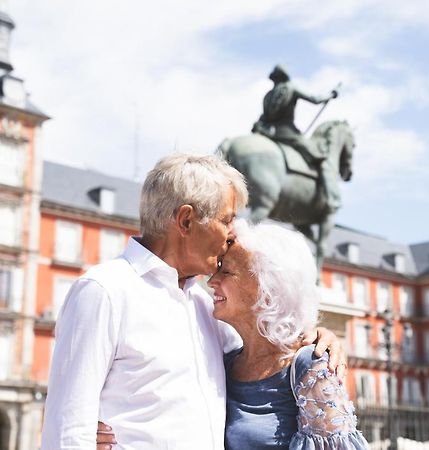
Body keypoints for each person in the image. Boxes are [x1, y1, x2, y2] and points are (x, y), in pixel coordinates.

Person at [40, 153, 346, 450]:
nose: (231, 234)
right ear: (186, 220)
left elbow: (265, 351)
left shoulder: (206, 307)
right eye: (227, 220)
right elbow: (70, 426)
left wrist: (319, 337)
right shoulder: (104, 291)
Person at [209, 220, 369, 449]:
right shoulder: (224, 362)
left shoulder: (310, 366)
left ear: (268, 287)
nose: (212, 280)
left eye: (226, 272)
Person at [252, 65, 340, 212]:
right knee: (321, 158)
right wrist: (332, 94)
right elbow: (316, 99)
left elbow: (265, 116)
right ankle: (332, 199)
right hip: (286, 133)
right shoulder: (291, 88)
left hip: (267, 132)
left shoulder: (268, 95)